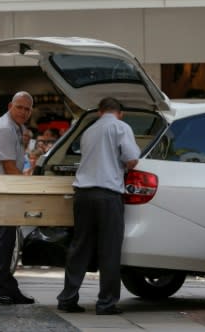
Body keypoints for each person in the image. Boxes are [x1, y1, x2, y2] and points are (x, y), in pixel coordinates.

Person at [56, 97, 140, 315]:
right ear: (119, 112)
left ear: (100, 112)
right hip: (108, 195)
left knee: (80, 247)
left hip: (83, 195)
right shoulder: (121, 127)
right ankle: (106, 303)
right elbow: (132, 159)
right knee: (109, 250)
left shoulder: (88, 131)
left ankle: (67, 298)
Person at [0, 91, 35, 305]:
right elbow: (9, 167)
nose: (23, 112)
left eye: (27, 109)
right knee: (3, 242)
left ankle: (7, 286)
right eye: (19, 107)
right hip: (0, 191)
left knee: (5, 241)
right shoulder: (4, 128)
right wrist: (28, 188)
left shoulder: (14, 127)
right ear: (10, 105)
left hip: (4, 190)